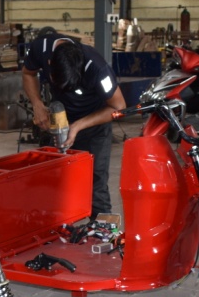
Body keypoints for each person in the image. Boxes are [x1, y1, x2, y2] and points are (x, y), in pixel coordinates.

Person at [22, 32, 127, 219]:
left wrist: (78, 125)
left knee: (95, 182)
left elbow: (119, 107)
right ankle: (58, 227)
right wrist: (37, 104)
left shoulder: (97, 68)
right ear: (49, 64)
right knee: (54, 177)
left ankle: (104, 230)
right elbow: (28, 73)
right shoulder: (41, 48)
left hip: (94, 122)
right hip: (61, 119)